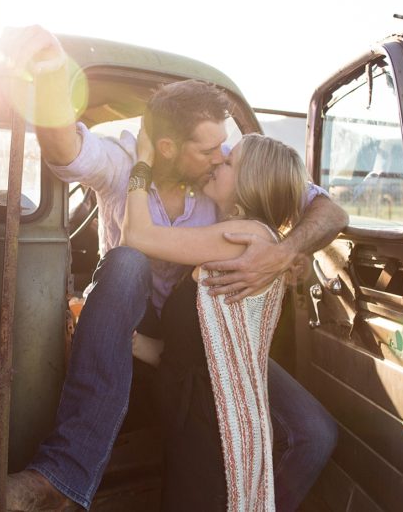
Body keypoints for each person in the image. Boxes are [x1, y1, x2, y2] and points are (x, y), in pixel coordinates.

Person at [0, 25, 349, 511]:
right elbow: (67, 153)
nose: (222, 156)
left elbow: (330, 212)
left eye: (225, 148)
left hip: (206, 337)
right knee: (128, 263)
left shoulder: (232, 179)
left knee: (314, 434)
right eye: (209, 150)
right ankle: (60, 479)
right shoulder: (127, 164)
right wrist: (50, 75)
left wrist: (282, 252)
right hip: (136, 322)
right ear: (168, 148)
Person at [122, 127, 309, 511]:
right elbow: (199, 356)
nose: (217, 162)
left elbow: (136, 235)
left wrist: (142, 162)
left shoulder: (244, 235)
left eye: (229, 161)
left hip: (212, 431)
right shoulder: (255, 238)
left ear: (248, 183)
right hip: (203, 421)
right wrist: (133, 343)